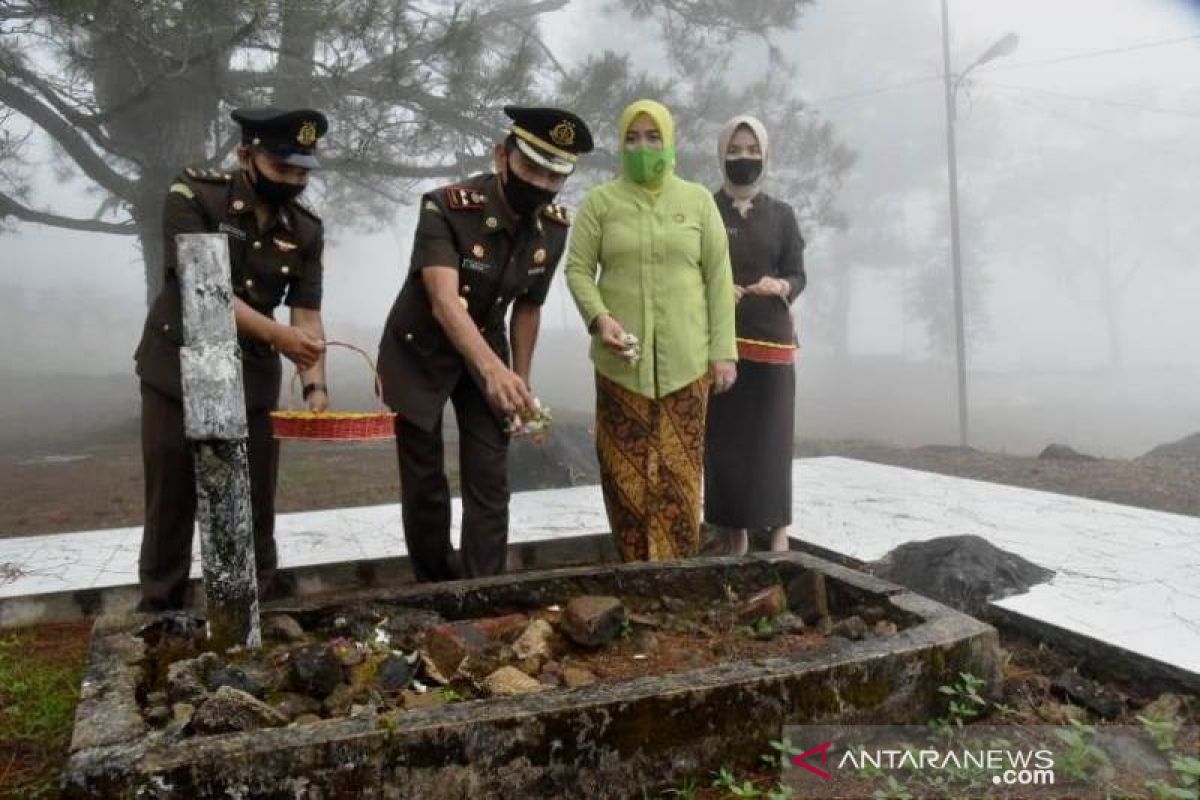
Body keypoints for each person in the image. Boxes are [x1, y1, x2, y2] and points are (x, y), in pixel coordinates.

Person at [378, 106, 594, 582]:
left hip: (489, 344)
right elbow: (442, 300)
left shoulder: (553, 228)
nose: (540, 182)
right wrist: (492, 370)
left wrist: (520, 382)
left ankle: (483, 587)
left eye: (555, 175)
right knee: (426, 481)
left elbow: (529, 306)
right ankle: (434, 588)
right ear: (502, 155)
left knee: (490, 476)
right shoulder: (447, 207)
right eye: (531, 167)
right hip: (419, 349)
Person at [134, 107, 330, 611]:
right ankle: (159, 610)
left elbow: (306, 313)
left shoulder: (306, 229)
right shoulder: (194, 195)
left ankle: (256, 607)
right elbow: (205, 287)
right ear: (246, 155)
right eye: (282, 168)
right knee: (172, 501)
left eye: (302, 172)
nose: (293, 181)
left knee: (255, 501)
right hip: (177, 369)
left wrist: (315, 382)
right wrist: (281, 336)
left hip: (250, 378)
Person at [565, 98, 737, 563]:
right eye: (632, 138)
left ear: (669, 140)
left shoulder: (698, 201)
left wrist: (723, 352)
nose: (643, 146)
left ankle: (679, 577)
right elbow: (578, 269)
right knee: (626, 480)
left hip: (687, 366)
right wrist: (600, 318)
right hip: (621, 369)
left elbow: (719, 278)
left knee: (679, 480)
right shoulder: (601, 203)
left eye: (653, 136)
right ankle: (634, 573)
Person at [704, 115, 807, 555]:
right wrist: (713, 288)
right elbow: (693, 267)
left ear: (764, 156)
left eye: (751, 151)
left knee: (772, 441)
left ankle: (778, 531)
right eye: (735, 150)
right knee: (725, 443)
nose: (742, 158)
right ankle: (734, 534)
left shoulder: (782, 215)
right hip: (723, 346)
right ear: (721, 153)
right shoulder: (704, 208)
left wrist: (780, 286)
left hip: (773, 345)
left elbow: (798, 274)